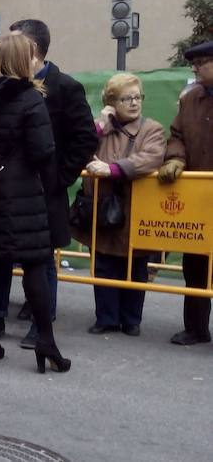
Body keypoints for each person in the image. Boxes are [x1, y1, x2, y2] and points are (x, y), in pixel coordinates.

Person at [0, 33, 70, 374]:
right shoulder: (28, 98)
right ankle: (46, 342)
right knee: (35, 264)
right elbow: (43, 151)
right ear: (22, 61)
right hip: (20, 194)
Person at [0, 19, 98, 347]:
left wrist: (59, 179)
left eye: (16, 43)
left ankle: (42, 324)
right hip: (8, 190)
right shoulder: (6, 85)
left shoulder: (65, 87)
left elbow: (84, 140)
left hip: (43, 191)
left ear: (35, 50)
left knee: (41, 258)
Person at [70, 73, 164, 336]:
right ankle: (106, 318)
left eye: (137, 97)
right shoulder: (103, 129)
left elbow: (152, 157)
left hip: (137, 210)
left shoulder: (151, 128)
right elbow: (80, 148)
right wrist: (101, 124)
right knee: (102, 263)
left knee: (136, 266)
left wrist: (112, 169)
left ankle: (131, 319)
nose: (134, 103)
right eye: (126, 98)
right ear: (111, 102)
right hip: (102, 209)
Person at [158, 39, 213, 346]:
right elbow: (177, 134)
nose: (195, 68)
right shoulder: (191, 99)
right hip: (196, 199)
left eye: (201, 63)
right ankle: (196, 328)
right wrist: (176, 157)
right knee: (194, 266)